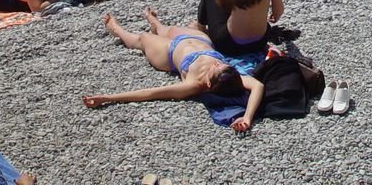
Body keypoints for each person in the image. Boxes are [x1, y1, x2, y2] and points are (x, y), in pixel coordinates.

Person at [82, 9, 264, 133]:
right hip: (198, 41)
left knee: (143, 38)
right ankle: (156, 24)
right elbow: (258, 86)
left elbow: (151, 93)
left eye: (215, 68)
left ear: (209, 83)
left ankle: (117, 30)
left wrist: (107, 98)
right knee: (168, 30)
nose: (216, 64)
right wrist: (247, 117)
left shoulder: (193, 84)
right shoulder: (231, 76)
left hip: (170, 53)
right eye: (221, 64)